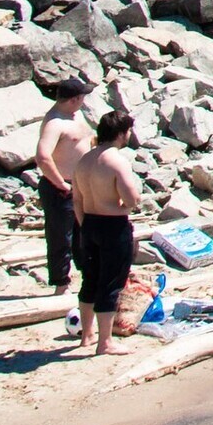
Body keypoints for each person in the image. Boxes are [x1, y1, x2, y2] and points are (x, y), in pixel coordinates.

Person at [70, 109, 143, 357]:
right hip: (112, 225)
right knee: (111, 283)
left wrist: (84, 224)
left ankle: (87, 335)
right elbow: (131, 199)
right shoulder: (116, 161)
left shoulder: (84, 161)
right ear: (121, 134)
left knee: (89, 279)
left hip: (88, 224)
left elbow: (77, 199)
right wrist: (124, 204)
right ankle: (105, 342)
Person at [35, 79, 92, 299]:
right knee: (61, 236)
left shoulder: (75, 115)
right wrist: (61, 183)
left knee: (83, 232)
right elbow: (42, 156)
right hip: (61, 187)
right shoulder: (55, 123)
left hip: (81, 184)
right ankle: (61, 283)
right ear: (74, 99)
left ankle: (86, 273)